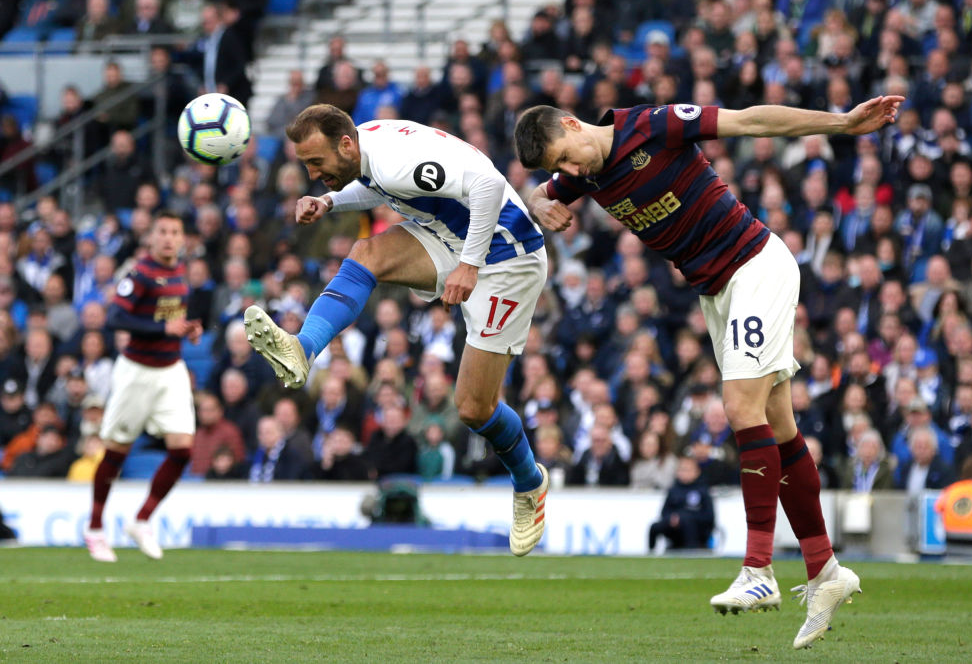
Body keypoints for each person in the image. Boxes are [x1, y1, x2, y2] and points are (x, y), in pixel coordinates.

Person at [513, 94, 903, 648]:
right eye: (559, 169)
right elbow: (537, 191)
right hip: (715, 293)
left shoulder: (652, 127)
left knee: (739, 408)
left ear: (575, 125)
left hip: (755, 266)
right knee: (780, 427)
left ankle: (759, 571)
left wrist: (840, 123)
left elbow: (751, 121)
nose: (568, 174)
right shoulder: (584, 172)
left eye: (566, 158)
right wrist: (537, 200)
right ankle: (825, 571)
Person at [243, 104, 550, 556]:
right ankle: (303, 349)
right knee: (367, 251)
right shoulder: (365, 148)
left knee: (472, 408)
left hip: (506, 259)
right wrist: (329, 200)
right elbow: (378, 190)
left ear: (345, 144)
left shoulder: (396, 160)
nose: (311, 173)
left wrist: (469, 265)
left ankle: (530, 484)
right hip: (447, 234)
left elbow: (489, 183)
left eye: (316, 163)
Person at [84, 212, 203, 563]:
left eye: (175, 232)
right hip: (136, 371)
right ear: (151, 238)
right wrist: (164, 329)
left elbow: (169, 320)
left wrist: (185, 329)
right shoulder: (139, 274)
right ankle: (94, 529)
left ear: (183, 239)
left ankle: (142, 520)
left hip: (171, 369)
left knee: (182, 450)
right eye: (162, 232)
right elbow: (116, 318)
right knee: (116, 452)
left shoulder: (178, 273)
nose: (168, 238)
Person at [648, 455, 715, 551]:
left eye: (687, 470)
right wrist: (672, 519)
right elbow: (664, 512)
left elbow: (709, 517)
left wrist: (684, 517)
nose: (684, 473)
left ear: (697, 472)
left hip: (697, 530)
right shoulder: (673, 490)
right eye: (681, 470)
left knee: (687, 522)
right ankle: (651, 553)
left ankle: (691, 552)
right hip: (675, 527)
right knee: (654, 527)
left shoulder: (703, 490)